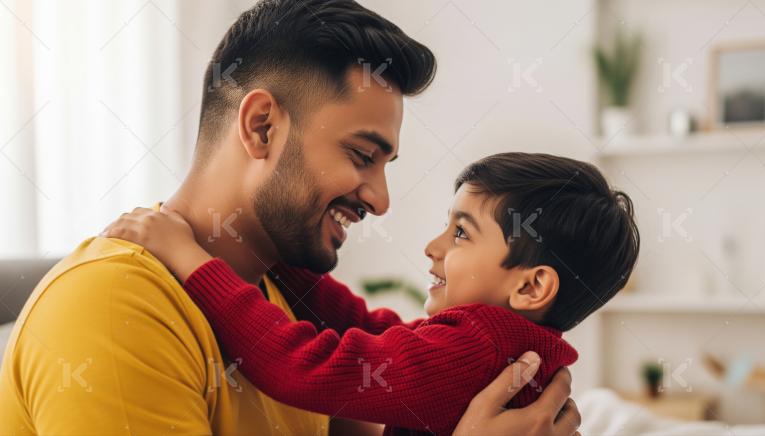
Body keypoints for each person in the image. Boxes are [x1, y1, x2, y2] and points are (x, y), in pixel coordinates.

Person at [0, 1, 582, 434]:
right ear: (262, 127)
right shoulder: (114, 306)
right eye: (362, 155)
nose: (382, 200)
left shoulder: (279, 299)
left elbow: (383, 350)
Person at [101, 153, 639, 435]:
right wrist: (273, 254)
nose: (433, 247)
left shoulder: (477, 347)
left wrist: (189, 258)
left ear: (531, 285)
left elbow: (299, 364)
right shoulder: (511, 347)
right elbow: (374, 332)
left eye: (460, 233)